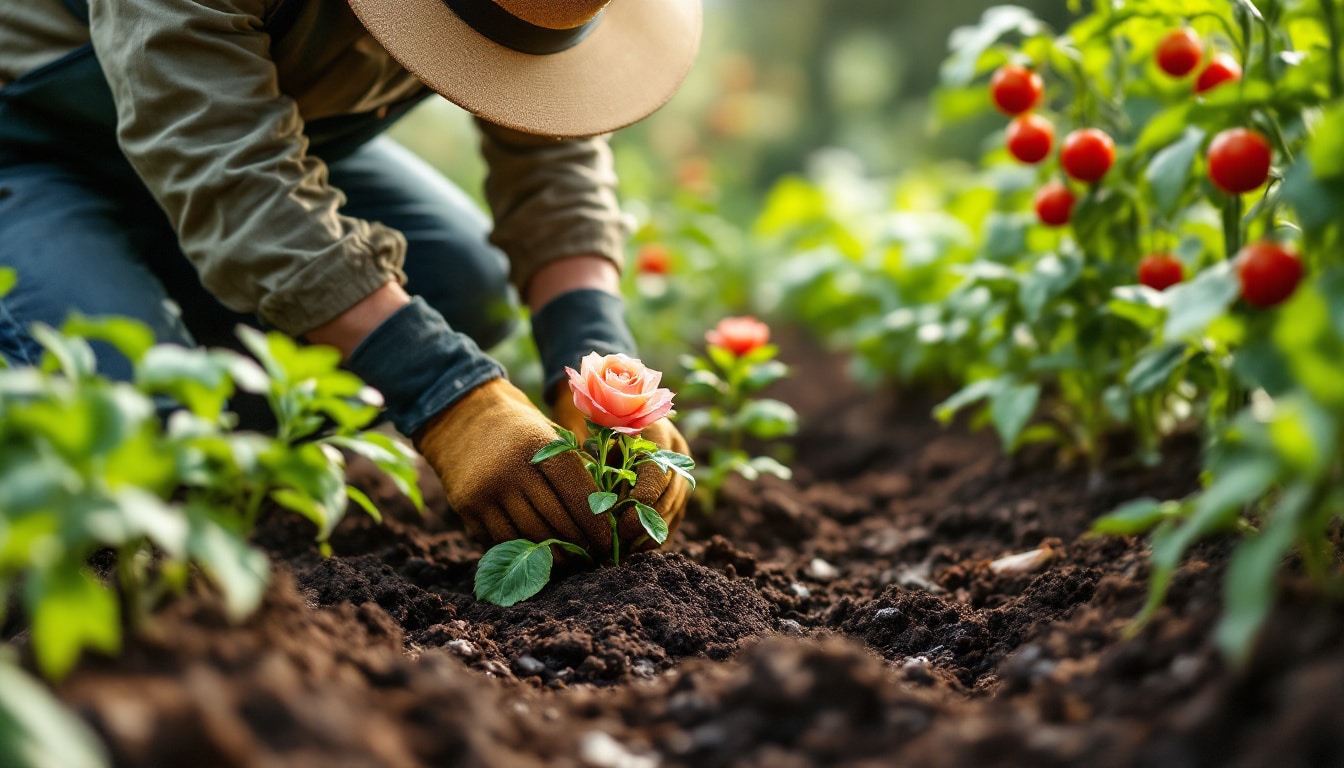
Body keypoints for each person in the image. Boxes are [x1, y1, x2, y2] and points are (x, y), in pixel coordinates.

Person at [0, 0, 700, 556]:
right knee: (123, 421)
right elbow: (227, 176)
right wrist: (448, 395)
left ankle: (215, 412)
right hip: (32, 142)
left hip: (254, 137)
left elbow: (553, 158)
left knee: (459, 288)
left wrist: (596, 353)